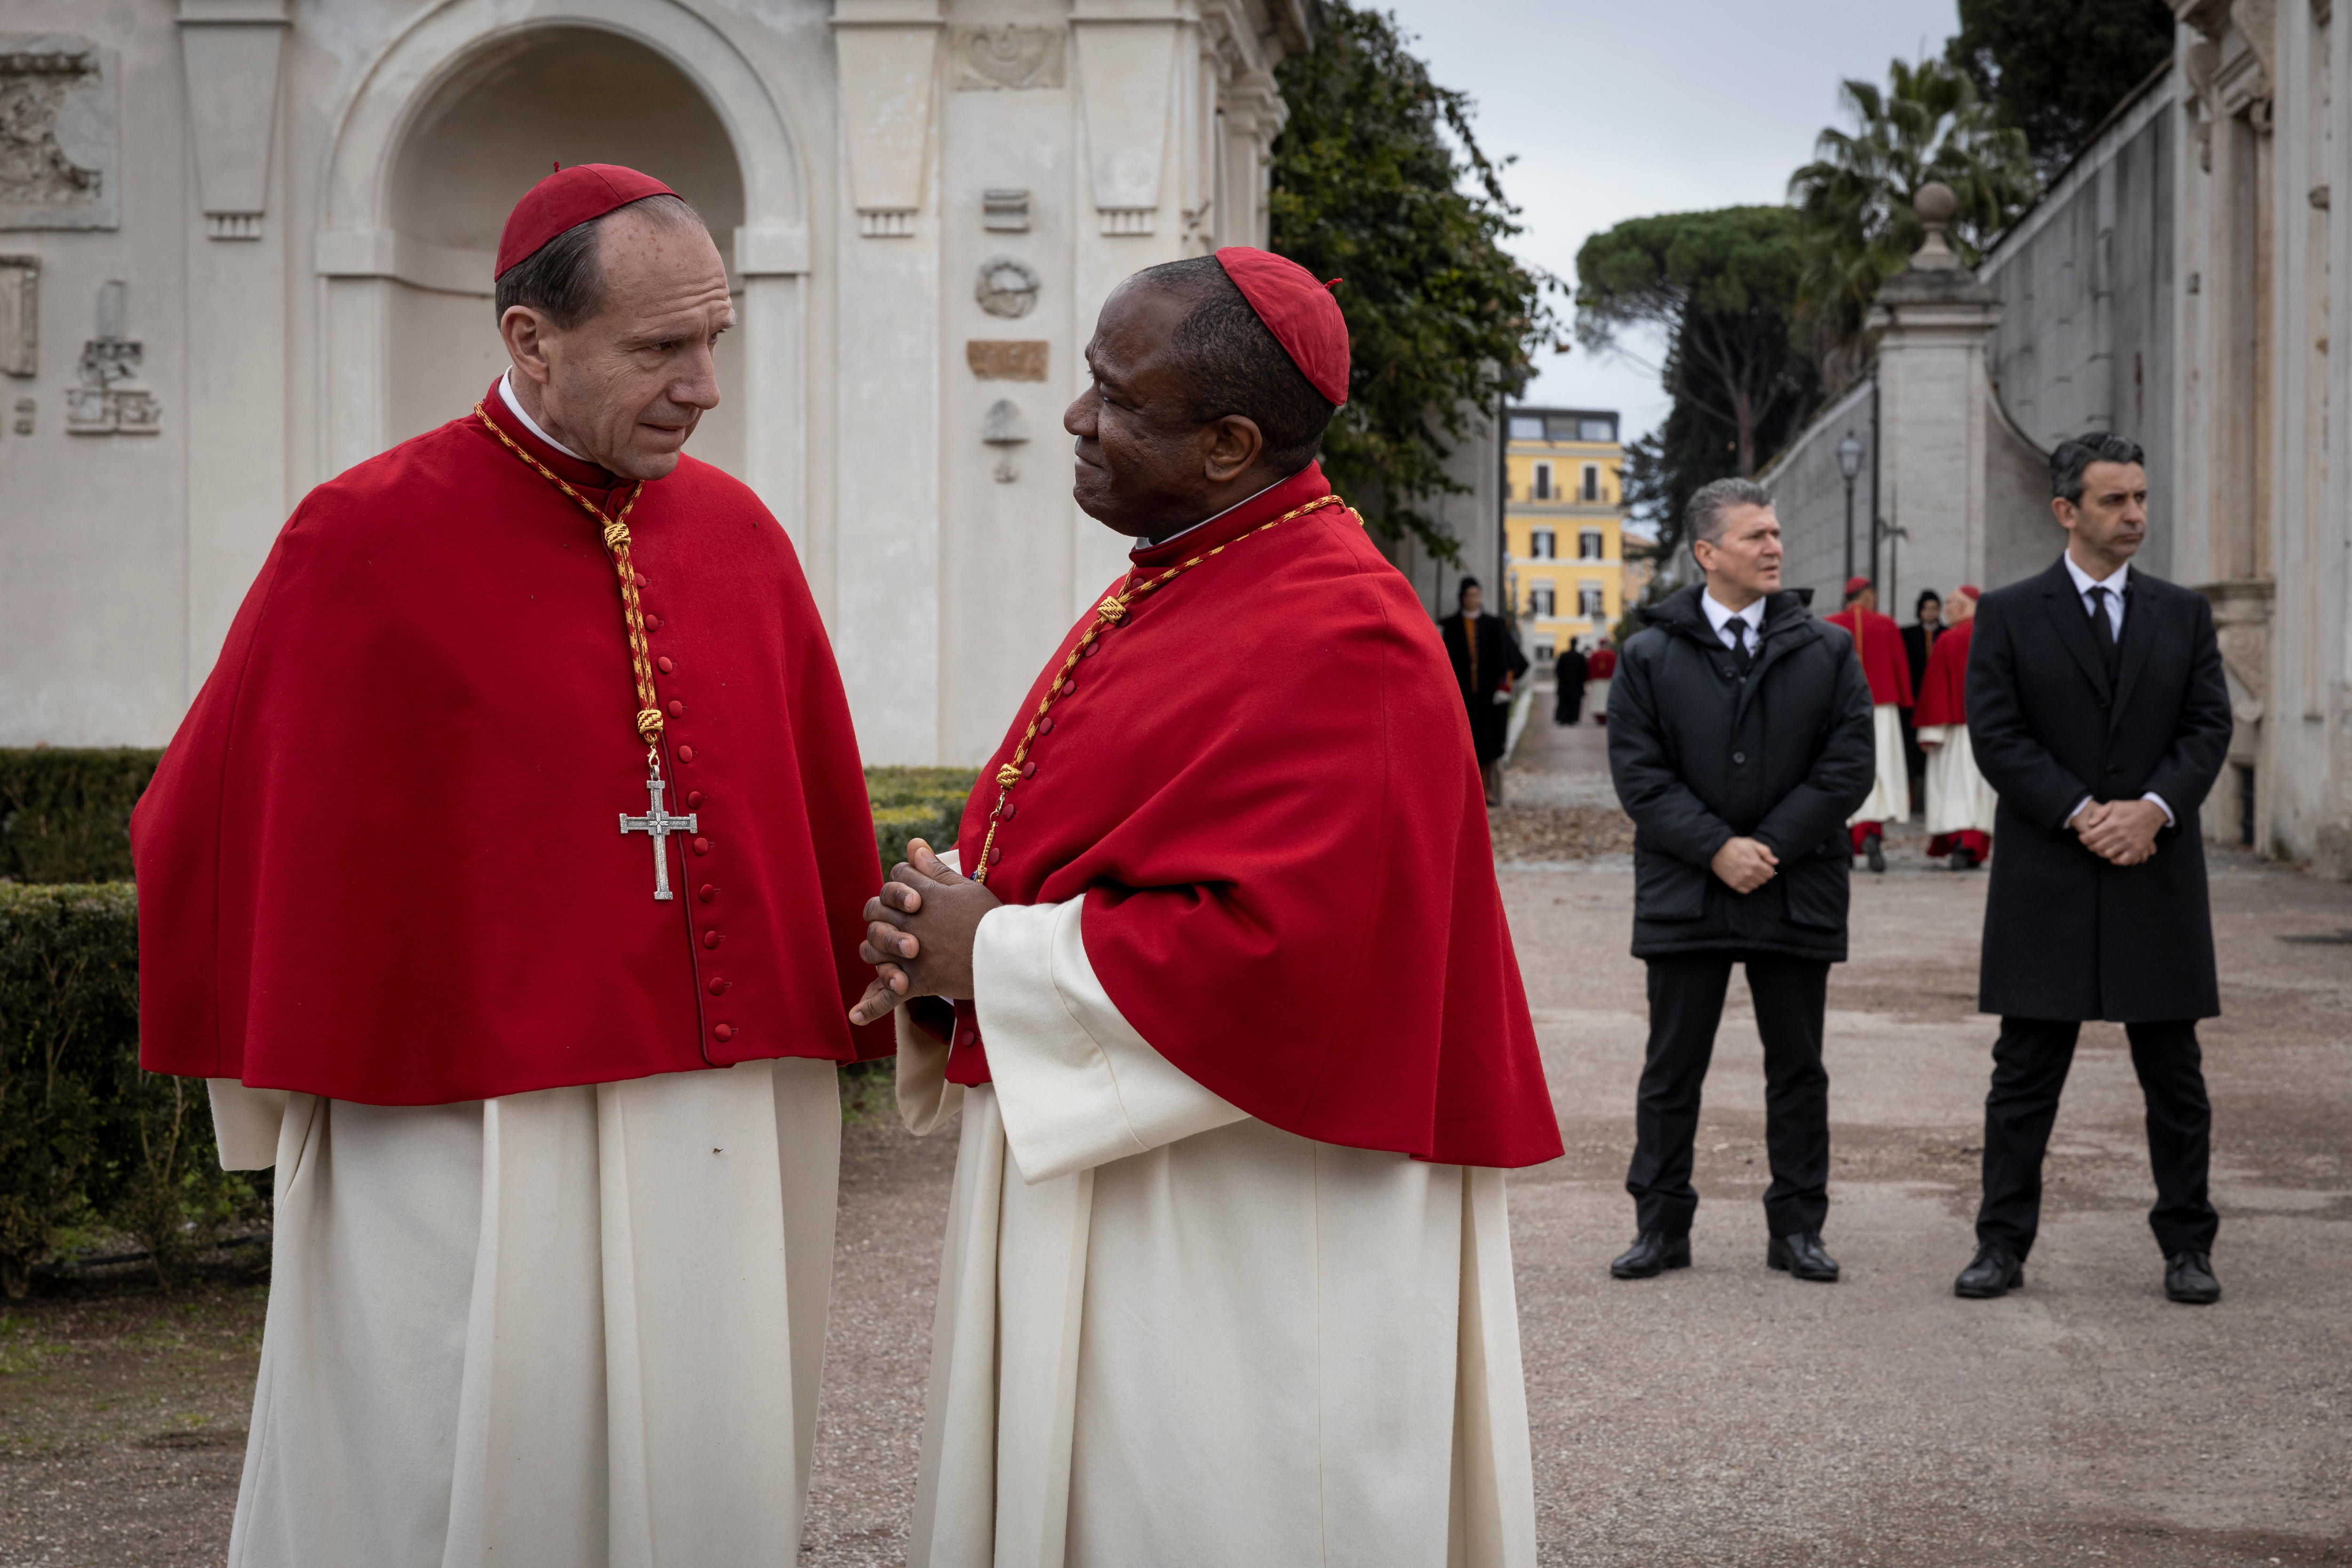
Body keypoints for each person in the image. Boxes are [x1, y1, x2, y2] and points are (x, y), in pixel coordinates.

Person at [131, 165, 887, 1566]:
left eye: (713, 340)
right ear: (530, 339)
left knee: (704, 1460)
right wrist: (280, 1061)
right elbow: (210, 817)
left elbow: (815, 818)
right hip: (460, 1122)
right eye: (661, 348)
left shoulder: (739, 538)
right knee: (441, 1457)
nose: (702, 385)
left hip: (717, 1120)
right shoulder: (363, 533)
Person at [851, 248, 1561, 1566]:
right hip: (1139, 1172)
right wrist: (953, 924)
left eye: (1117, 398)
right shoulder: (1188, 568)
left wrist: (994, 946)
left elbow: (1289, 959)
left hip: (1245, 1218)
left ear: (1231, 443)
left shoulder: (1347, 633)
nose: (1077, 419)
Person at [1955, 433, 2233, 1306]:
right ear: (2066, 510)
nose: (2136, 516)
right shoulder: (2007, 612)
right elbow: (1998, 735)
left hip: (2156, 867)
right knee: (2024, 1074)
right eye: (2116, 501)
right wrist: (2083, 813)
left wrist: (2152, 809)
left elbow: (2207, 727)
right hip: (2050, 871)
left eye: (2142, 498)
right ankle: (2001, 1243)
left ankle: (2189, 1245)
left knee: (2176, 1077)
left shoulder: (2183, 614)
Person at [1604, 478, 1875, 1285]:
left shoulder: (1827, 649)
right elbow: (1640, 776)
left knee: (1798, 1067)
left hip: (1796, 885)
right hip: (1690, 889)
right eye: (1756, 535)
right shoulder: (1649, 654)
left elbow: (1848, 765)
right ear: (1706, 553)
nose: (1775, 548)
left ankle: (1797, 1228)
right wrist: (1718, 848)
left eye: (1777, 533)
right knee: (1672, 1066)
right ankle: (1660, 1224)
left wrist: (1771, 847)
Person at [1825, 575, 1914, 872]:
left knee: (1840, 767)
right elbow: (1900, 666)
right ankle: (1872, 835)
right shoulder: (1886, 624)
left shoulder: (1829, 623)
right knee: (1880, 769)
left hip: (1839, 707)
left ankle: (1846, 842)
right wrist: (1905, 700)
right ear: (1865, 596)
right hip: (1882, 707)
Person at [1913, 584, 1994, 868]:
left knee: (1956, 788)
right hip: (1991, 731)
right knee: (1981, 791)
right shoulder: (1996, 635)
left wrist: (1931, 733)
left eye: (1949, 603)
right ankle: (1973, 844)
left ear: (1963, 607)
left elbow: (1935, 690)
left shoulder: (1948, 639)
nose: (1945, 609)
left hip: (1956, 732)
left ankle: (1961, 844)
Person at [1442, 576, 1529, 804]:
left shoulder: (1494, 625)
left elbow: (1512, 660)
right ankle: (1461, 793)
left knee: (1487, 744)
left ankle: (1485, 790)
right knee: (1460, 745)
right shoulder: (1450, 627)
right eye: (1469, 596)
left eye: (1476, 595)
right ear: (1462, 598)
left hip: (1488, 698)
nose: (1473, 600)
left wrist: (1504, 687)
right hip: (1461, 697)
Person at [1902, 589, 1943, 798]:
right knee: (1910, 752)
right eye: (1927, 608)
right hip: (1914, 700)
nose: (1930, 613)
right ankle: (1909, 798)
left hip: (1938, 700)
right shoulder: (1907, 635)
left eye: (1934, 608)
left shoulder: (1946, 634)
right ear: (1920, 611)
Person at [1555, 637, 1591, 725]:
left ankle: (1563, 718)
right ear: (1576, 644)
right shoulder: (1580, 657)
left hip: (1564, 685)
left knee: (1564, 702)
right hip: (1577, 685)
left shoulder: (1563, 656)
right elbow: (1585, 672)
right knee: (1575, 702)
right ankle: (1573, 719)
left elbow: (1558, 671)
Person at [1585, 636, 1618, 725]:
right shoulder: (1611, 654)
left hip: (1597, 681)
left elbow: (1590, 667)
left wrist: (1590, 679)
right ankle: (1606, 717)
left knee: (1598, 700)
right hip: (1608, 681)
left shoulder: (1594, 654)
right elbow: (1616, 667)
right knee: (1607, 699)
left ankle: (1599, 718)